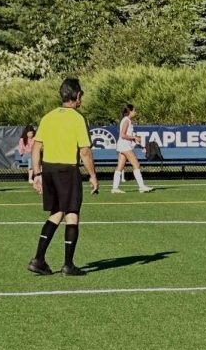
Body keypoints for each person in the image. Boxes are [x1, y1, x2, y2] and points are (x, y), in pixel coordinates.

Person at [28, 77, 98, 277]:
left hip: (49, 169)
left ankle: (38, 259)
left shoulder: (48, 116)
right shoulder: (77, 118)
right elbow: (85, 151)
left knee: (57, 212)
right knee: (72, 213)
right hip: (67, 169)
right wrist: (92, 175)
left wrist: (37, 173)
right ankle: (68, 265)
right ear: (77, 95)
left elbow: (36, 147)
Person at [111, 105, 152, 194]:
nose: (135, 112)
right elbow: (122, 135)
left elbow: (125, 135)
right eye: (134, 110)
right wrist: (134, 137)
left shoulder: (127, 120)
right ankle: (141, 187)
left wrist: (135, 139)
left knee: (120, 166)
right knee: (136, 164)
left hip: (122, 145)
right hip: (125, 146)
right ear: (130, 111)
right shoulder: (126, 121)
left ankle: (115, 188)